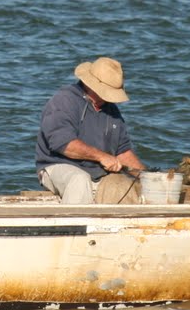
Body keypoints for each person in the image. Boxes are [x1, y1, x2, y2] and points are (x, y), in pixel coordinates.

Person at [35, 56, 146, 204]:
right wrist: (102, 157)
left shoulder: (112, 111)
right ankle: (73, 226)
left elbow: (123, 152)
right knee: (79, 180)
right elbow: (64, 145)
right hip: (56, 166)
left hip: (98, 173)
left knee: (126, 187)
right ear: (92, 85)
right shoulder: (64, 100)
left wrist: (146, 177)